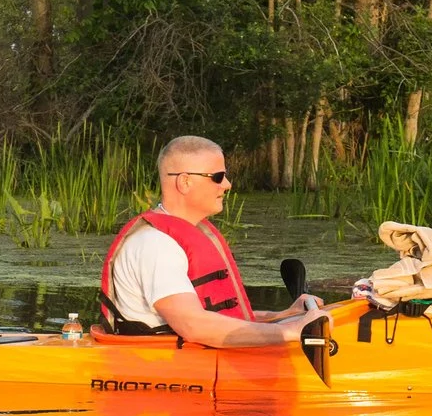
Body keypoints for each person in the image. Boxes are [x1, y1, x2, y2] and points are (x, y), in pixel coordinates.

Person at [98, 135, 322, 347]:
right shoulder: (156, 244)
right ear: (184, 182)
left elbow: (215, 317)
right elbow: (193, 325)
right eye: (217, 177)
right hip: (162, 366)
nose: (227, 185)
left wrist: (284, 317)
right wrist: (291, 333)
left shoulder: (176, 235)